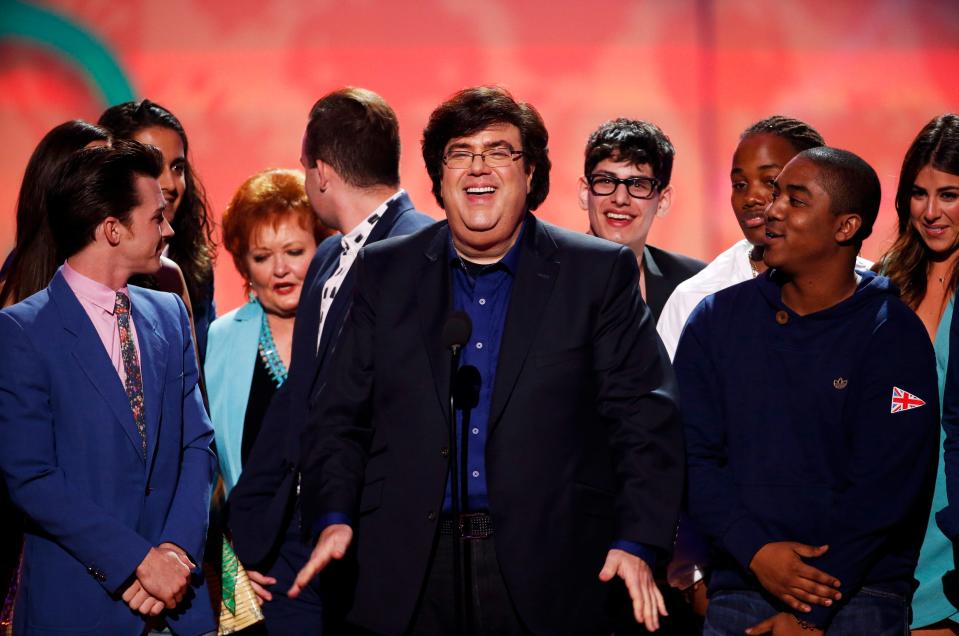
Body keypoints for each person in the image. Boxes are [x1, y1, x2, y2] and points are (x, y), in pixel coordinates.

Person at [291, 85, 684, 636]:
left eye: (500, 151)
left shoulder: (595, 275)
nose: (479, 167)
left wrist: (638, 541)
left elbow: (645, 420)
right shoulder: (386, 272)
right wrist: (333, 516)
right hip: (407, 567)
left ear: (531, 177)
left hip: (554, 568)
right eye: (460, 152)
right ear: (439, 176)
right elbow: (338, 414)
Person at [677, 146, 939, 635]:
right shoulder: (715, 322)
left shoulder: (894, 333)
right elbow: (693, 459)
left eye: (795, 200)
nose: (771, 209)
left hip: (863, 592)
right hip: (742, 583)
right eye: (776, 195)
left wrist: (809, 611)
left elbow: (887, 491)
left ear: (846, 227)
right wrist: (754, 550)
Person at [226, 87, 434, 634]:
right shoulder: (325, 257)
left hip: (374, 538)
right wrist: (241, 535)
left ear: (320, 172)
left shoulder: (423, 251)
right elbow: (299, 403)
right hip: (292, 540)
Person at [0, 140, 216, 634]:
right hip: (79, 606)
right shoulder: (23, 332)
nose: (168, 229)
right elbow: (32, 477)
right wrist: (138, 561)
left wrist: (175, 553)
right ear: (111, 229)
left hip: (176, 606)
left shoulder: (168, 312)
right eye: (156, 218)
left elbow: (197, 443)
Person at [658, 116, 832, 358]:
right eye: (739, 184)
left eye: (771, 181)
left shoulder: (866, 283)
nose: (751, 198)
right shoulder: (697, 297)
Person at [882, 113, 959, 635]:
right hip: (887, 519)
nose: (931, 212)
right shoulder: (882, 284)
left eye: (950, 195)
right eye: (918, 193)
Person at [99, 100, 217, 362]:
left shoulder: (194, 266)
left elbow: (198, 375)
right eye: (152, 168)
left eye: (178, 168)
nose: (170, 184)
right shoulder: (73, 263)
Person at [579, 118, 704, 320]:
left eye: (638, 185)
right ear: (585, 192)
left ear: (662, 201)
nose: (620, 199)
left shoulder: (695, 283)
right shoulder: (543, 278)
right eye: (606, 181)